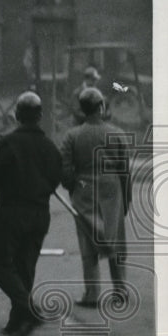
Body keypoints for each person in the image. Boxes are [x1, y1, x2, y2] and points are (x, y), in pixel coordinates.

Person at [0, 91, 62, 336]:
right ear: (39, 117)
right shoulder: (50, 147)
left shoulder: (9, 143)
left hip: (11, 212)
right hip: (39, 214)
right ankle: (17, 322)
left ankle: (27, 308)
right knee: (25, 267)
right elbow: (56, 179)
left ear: (17, 116)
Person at [58, 87, 131, 307]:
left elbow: (66, 170)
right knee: (115, 241)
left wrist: (73, 189)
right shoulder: (117, 134)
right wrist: (126, 199)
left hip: (84, 192)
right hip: (112, 191)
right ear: (101, 107)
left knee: (88, 244)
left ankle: (92, 294)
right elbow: (125, 172)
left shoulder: (72, 135)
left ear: (82, 109)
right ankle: (120, 291)